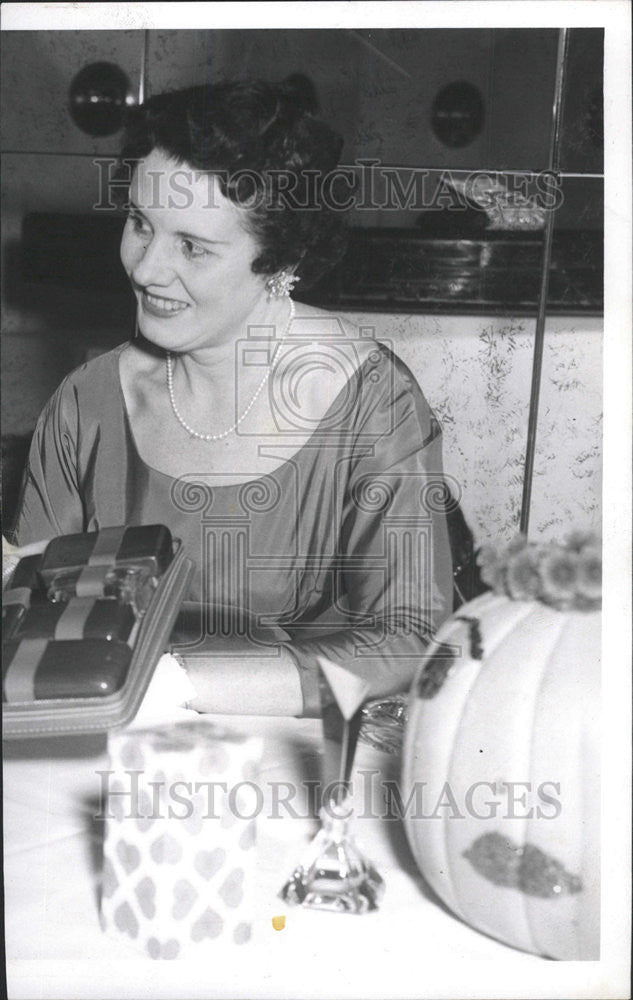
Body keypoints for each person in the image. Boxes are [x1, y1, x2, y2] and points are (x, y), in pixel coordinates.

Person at [12, 77, 453, 716]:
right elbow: (30, 624)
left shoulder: (371, 403)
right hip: (107, 740)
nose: (145, 267)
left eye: (193, 246)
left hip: (294, 759)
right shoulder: (88, 402)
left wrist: (173, 687)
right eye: (140, 223)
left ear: (279, 261)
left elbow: (409, 637)